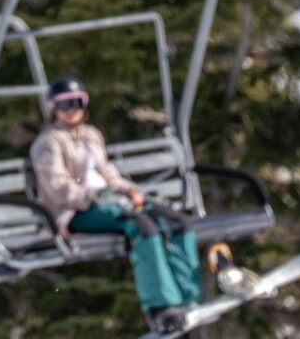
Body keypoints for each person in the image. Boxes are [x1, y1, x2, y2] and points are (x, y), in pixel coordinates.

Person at [30, 77, 201, 334]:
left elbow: (107, 172)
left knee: (177, 222)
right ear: (53, 108)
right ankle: (160, 306)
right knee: (142, 227)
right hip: (73, 211)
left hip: (107, 201)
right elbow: (56, 186)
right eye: (65, 105)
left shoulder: (91, 135)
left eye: (77, 102)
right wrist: (91, 196)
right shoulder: (49, 142)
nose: (72, 109)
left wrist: (128, 190)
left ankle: (187, 294)